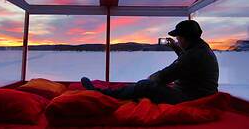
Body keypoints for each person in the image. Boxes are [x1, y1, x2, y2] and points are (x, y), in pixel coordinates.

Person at [81, 20, 219, 104]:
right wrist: (176, 48)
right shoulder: (201, 48)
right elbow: (188, 63)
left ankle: (102, 93)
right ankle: (129, 92)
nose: (177, 40)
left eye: (178, 38)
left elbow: (164, 77)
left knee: (146, 86)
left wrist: (148, 81)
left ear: (185, 38)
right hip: (199, 94)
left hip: (191, 98)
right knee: (144, 86)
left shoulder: (193, 56)